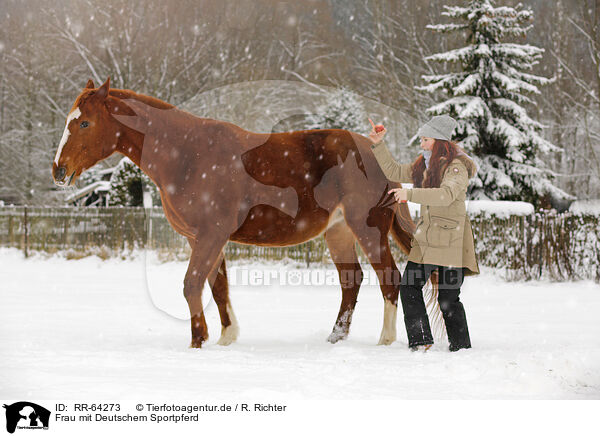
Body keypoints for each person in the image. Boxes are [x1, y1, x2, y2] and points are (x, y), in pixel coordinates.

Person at [367, 115, 480, 352]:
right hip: (427, 239)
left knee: (448, 299)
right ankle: (420, 340)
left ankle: (461, 348)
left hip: (451, 240)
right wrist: (379, 144)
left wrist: (411, 195)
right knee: (408, 286)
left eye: (425, 139)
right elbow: (394, 170)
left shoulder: (456, 167)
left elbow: (446, 195)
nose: (421, 144)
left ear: (439, 140)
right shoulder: (424, 166)